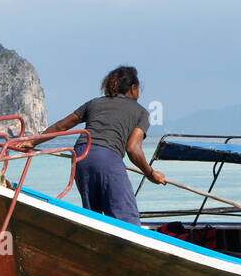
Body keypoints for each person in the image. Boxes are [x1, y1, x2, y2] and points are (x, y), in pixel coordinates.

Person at [41, 65, 166, 224]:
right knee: (127, 220)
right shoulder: (141, 112)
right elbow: (133, 149)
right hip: (107, 157)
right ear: (134, 88)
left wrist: (32, 141)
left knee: (94, 219)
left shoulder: (94, 103)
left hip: (81, 155)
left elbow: (61, 126)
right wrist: (150, 173)